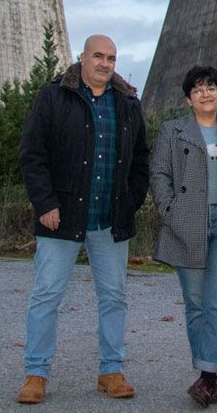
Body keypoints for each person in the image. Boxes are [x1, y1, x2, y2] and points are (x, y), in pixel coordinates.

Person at [16, 34, 150, 404]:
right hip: (61, 216)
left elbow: (141, 159)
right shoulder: (54, 96)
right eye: (98, 56)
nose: (105, 64)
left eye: (111, 58)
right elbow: (32, 154)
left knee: (114, 297)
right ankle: (36, 373)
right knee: (46, 295)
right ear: (83, 58)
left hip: (110, 219)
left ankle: (111, 370)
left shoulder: (126, 103)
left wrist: (131, 201)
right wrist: (45, 204)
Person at [150, 66, 217, 408]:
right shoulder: (173, 131)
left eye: (211, 87)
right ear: (188, 98)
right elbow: (159, 173)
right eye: (198, 90)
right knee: (196, 303)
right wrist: (171, 211)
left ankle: (207, 376)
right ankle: (207, 375)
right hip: (189, 223)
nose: (206, 94)